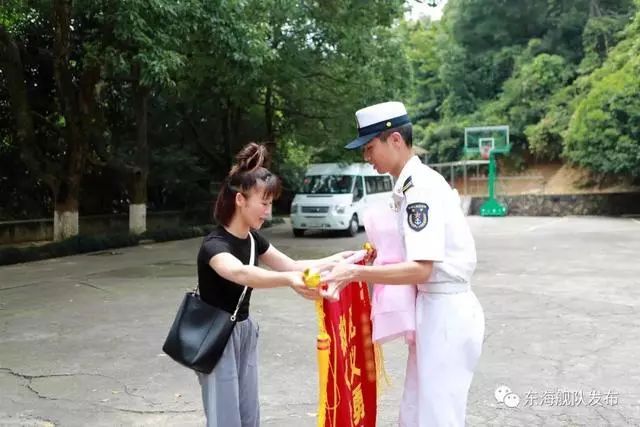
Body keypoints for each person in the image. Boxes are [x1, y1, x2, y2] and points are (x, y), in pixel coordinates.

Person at [323, 101, 485, 427]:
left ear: (395, 140)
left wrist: (356, 272)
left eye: (370, 148)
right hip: (435, 308)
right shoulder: (409, 185)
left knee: (437, 417)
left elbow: (422, 268)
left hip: (446, 312)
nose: (366, 157)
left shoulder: (419, 189)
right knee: (415, 413)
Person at [196, 142, 352, 427]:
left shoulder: (253, 239)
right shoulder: (214, 245)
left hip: (244, 330)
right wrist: (288, 280)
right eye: (264, 203)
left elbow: (292, 265)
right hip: (217, 336)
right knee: (225, 419)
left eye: (270, 204)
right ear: (240, 200)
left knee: (249, 416)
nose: (268, 212)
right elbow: (240, 273)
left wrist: (336, 260)